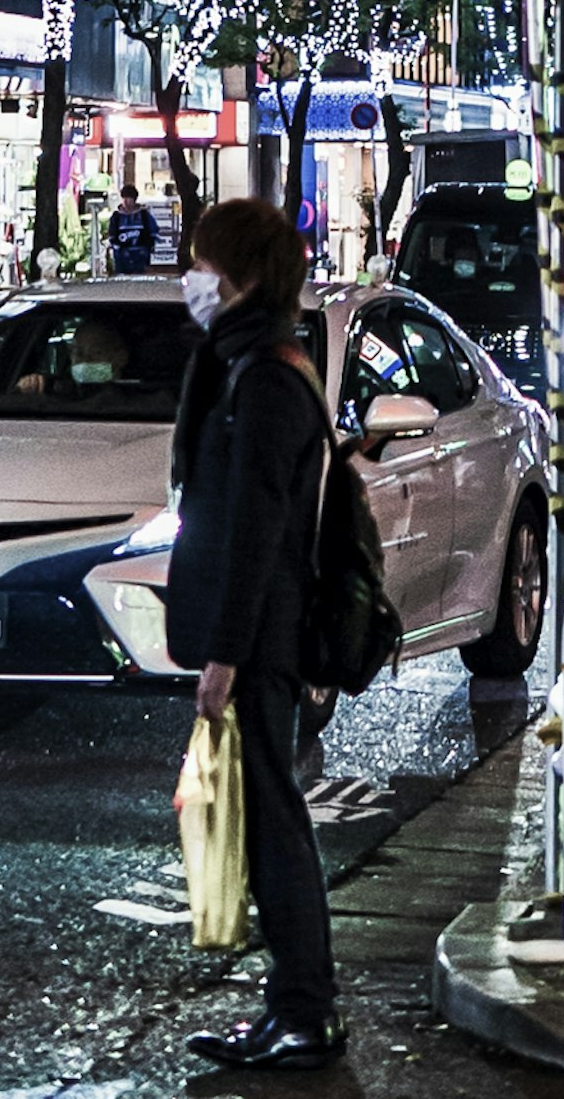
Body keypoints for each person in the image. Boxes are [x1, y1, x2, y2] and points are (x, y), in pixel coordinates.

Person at [164, 195, 343, 1071]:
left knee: (274, 818)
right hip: (251, 633)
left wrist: (225, 655)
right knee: (270, 812)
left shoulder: (268, 374)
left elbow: (256, 527)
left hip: (262, 638)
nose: (189, 279)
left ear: (231, 277)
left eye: (199, 265)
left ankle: (306, 1008)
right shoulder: (242, 358)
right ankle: (296, 1004)